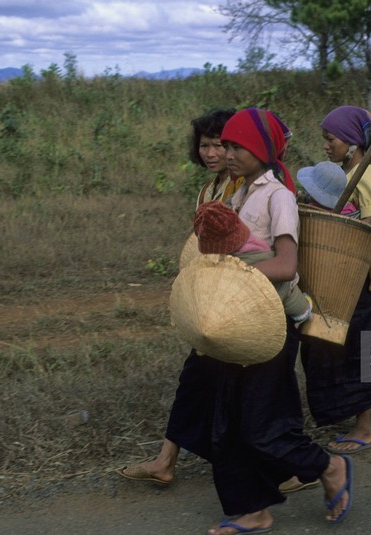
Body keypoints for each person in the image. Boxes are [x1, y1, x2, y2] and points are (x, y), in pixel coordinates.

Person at [191, 107, 352, 534]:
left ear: (261, 148)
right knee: (226, 421)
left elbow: (284, 265)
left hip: (272, 323)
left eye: (236, 145)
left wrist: (234, 275)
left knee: (262, 426)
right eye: (224, 145)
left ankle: (329, 467)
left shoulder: (277, 195)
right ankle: (253, 510)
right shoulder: (236, 191)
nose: (227, 153)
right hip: (239, 317)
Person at [117, 108, 237, 485]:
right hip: (211, 298)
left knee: (230, 389)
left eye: (219, 144)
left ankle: (295, 466)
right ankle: (166, 460)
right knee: (198, 379)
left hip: (234, 301)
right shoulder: (210, 190)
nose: (211, 152)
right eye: (205, 145)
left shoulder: (244, 187)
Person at [299, 105, 371, 457]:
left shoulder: (368, 176)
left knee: (354, 352)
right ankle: (350, 415)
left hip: (357, 282)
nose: (325, 145)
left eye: (331, 138)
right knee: (331, 348)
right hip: (340, 277)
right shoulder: (349, 171)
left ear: (353, 142)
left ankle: (364, 428)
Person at [193, 199, 312, 324]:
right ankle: (303, 310)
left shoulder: (280, 198)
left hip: (260, 305)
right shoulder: (256, 243)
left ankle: (302, 310)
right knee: (291, 297)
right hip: (272, 305)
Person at [297, 160, 371, 292]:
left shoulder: (311, 210)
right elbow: (354, 212)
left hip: (319, 257)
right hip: (343, 253)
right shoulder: (348, 209)